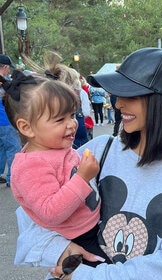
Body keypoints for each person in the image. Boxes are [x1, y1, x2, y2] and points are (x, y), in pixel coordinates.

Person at [13, 47, 162, 280]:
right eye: (118, 94)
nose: (119, 104)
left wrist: (86, 276)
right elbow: (35, 216)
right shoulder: (99, 150)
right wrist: (59, 252)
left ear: (161, 101)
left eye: (130, 95)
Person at [3, 70, 109, 267]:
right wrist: (82, 178)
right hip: (77, 238)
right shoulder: (31, 166)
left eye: (71, 115)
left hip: (93, 226)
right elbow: (50, 211)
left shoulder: (56, 147)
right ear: (27, 128)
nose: (72, 124)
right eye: (60, 120)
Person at [0, 54, 21, 187]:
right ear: (5, 67)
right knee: (13, 148)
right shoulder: (4, 82)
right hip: (5, 120)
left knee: (1, 148)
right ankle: (12, 178)